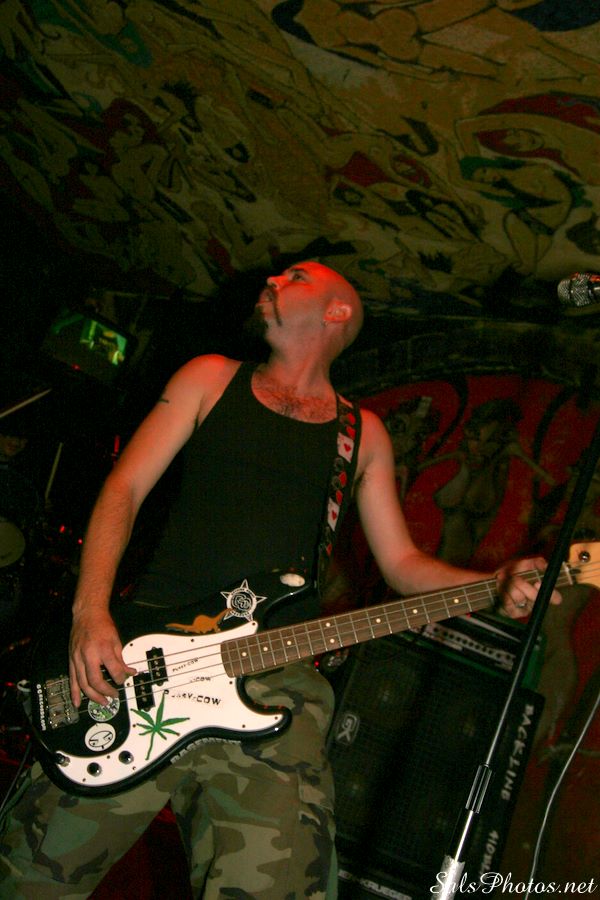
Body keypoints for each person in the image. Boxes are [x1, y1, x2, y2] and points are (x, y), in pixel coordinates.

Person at [0, 261, 559, 899]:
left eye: (294, 277)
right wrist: (90, 612)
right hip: (140, 659)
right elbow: (124, 489)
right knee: (30, 879)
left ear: (336, 311)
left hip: (277, 677)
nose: (271, 280)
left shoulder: (363, 434)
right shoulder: (210, 377)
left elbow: (402, 565)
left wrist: (492, 583)